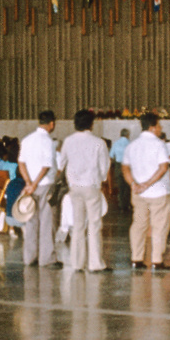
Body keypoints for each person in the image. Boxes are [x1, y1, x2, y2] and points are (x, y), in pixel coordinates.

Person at [61, 109, 110, 272]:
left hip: (74, 187)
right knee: (94, 225)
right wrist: (101, 179)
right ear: (91, 124)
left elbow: (62, 163)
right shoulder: (99, 142)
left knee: (77, 225)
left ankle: (77, 263)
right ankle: (95, 263)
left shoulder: (68, 141)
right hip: (91, 186)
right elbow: (104, 166)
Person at [123, 113, 170, 271]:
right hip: (158, 192)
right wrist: (147, 184)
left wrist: (134, 184)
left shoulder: (132, 145)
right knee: (159, 227)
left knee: (138, 225)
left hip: (138, 193)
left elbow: (125, 168)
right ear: (152, 128)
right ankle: (157, 261)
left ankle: (136, 259)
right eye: (159, 126)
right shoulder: (159, 144)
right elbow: (163, 167)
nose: (160, 129)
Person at [18, 111, 61, 268]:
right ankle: (47, 258)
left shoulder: (27, 139)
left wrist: (28, 183)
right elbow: (46, 165)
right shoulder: (47, 141)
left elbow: (21, 163)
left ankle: (30, 258)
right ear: (52, 124)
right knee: (46, 222)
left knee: (30, 220)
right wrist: (35, 183)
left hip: (30, 186)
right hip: (44, 184)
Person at [110, 128, 132, 214]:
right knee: (127, 186)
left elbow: (111, 155)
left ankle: (121, 205)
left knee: (120, 186)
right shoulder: (130, 144)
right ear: (127, 135)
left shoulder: (116, 143)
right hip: (127, 166)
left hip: (118, 166)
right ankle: (127, 205)